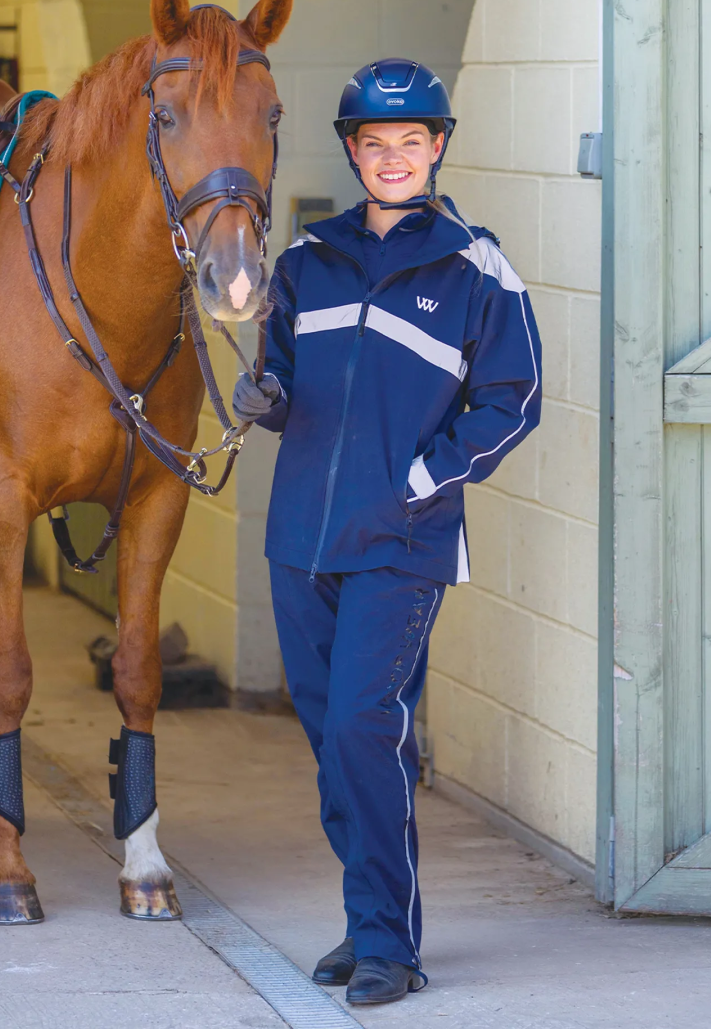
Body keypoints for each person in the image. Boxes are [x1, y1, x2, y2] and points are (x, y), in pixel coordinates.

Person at [232, 58, 542, 1006]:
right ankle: (369, 918)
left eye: (412, 142)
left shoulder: (474, 266)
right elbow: (282, 378)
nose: (394, 157)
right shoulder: (305, 261)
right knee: (333, 740)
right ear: (354, 151)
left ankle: (389, 947)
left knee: (369, 728)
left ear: (438, 147)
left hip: (401, 544)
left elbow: (513, 398)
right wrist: (264, 394)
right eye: (376, 142)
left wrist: (420, 478)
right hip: (301, 542)